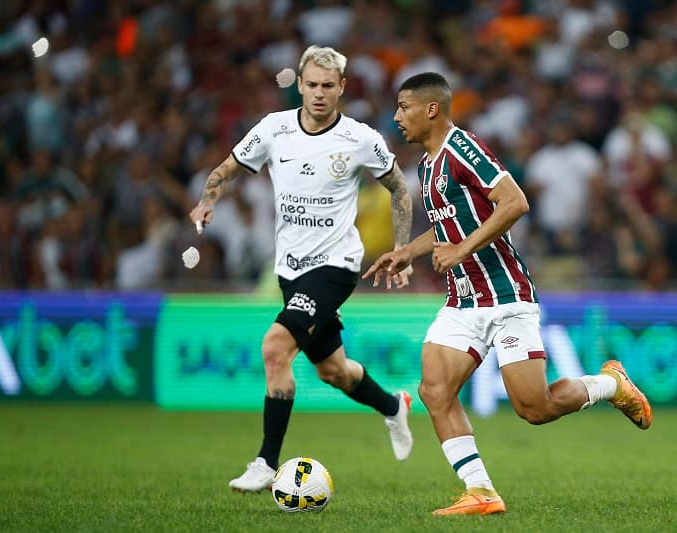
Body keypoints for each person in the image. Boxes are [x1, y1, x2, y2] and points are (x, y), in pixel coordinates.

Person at [363, 72, 653, 516]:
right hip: (463, 301)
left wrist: (462, 249)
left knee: (535, 408)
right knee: (435, 390)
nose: (397, 117)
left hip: (505, 296)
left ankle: (611, 384)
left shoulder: (463, 148)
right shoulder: (426, 166)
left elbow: (515, 201)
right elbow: (448, 227)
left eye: (404, 107)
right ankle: (480, 491)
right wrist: (407, 252)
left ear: (431, 109)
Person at [190, 45, 415, 493]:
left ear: (342, 88)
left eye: (328, 85)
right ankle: (393, 406)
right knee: (334, 371)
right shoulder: (274, 129)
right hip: (290, 270)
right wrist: (206, 200)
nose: (319, 93)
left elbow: (399, 189)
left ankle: (265, 462)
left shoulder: (360, 138)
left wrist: (402, 249)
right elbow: (227, 168)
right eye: (311, 84)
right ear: (299, 84)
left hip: (336, 265)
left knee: (275, 348)